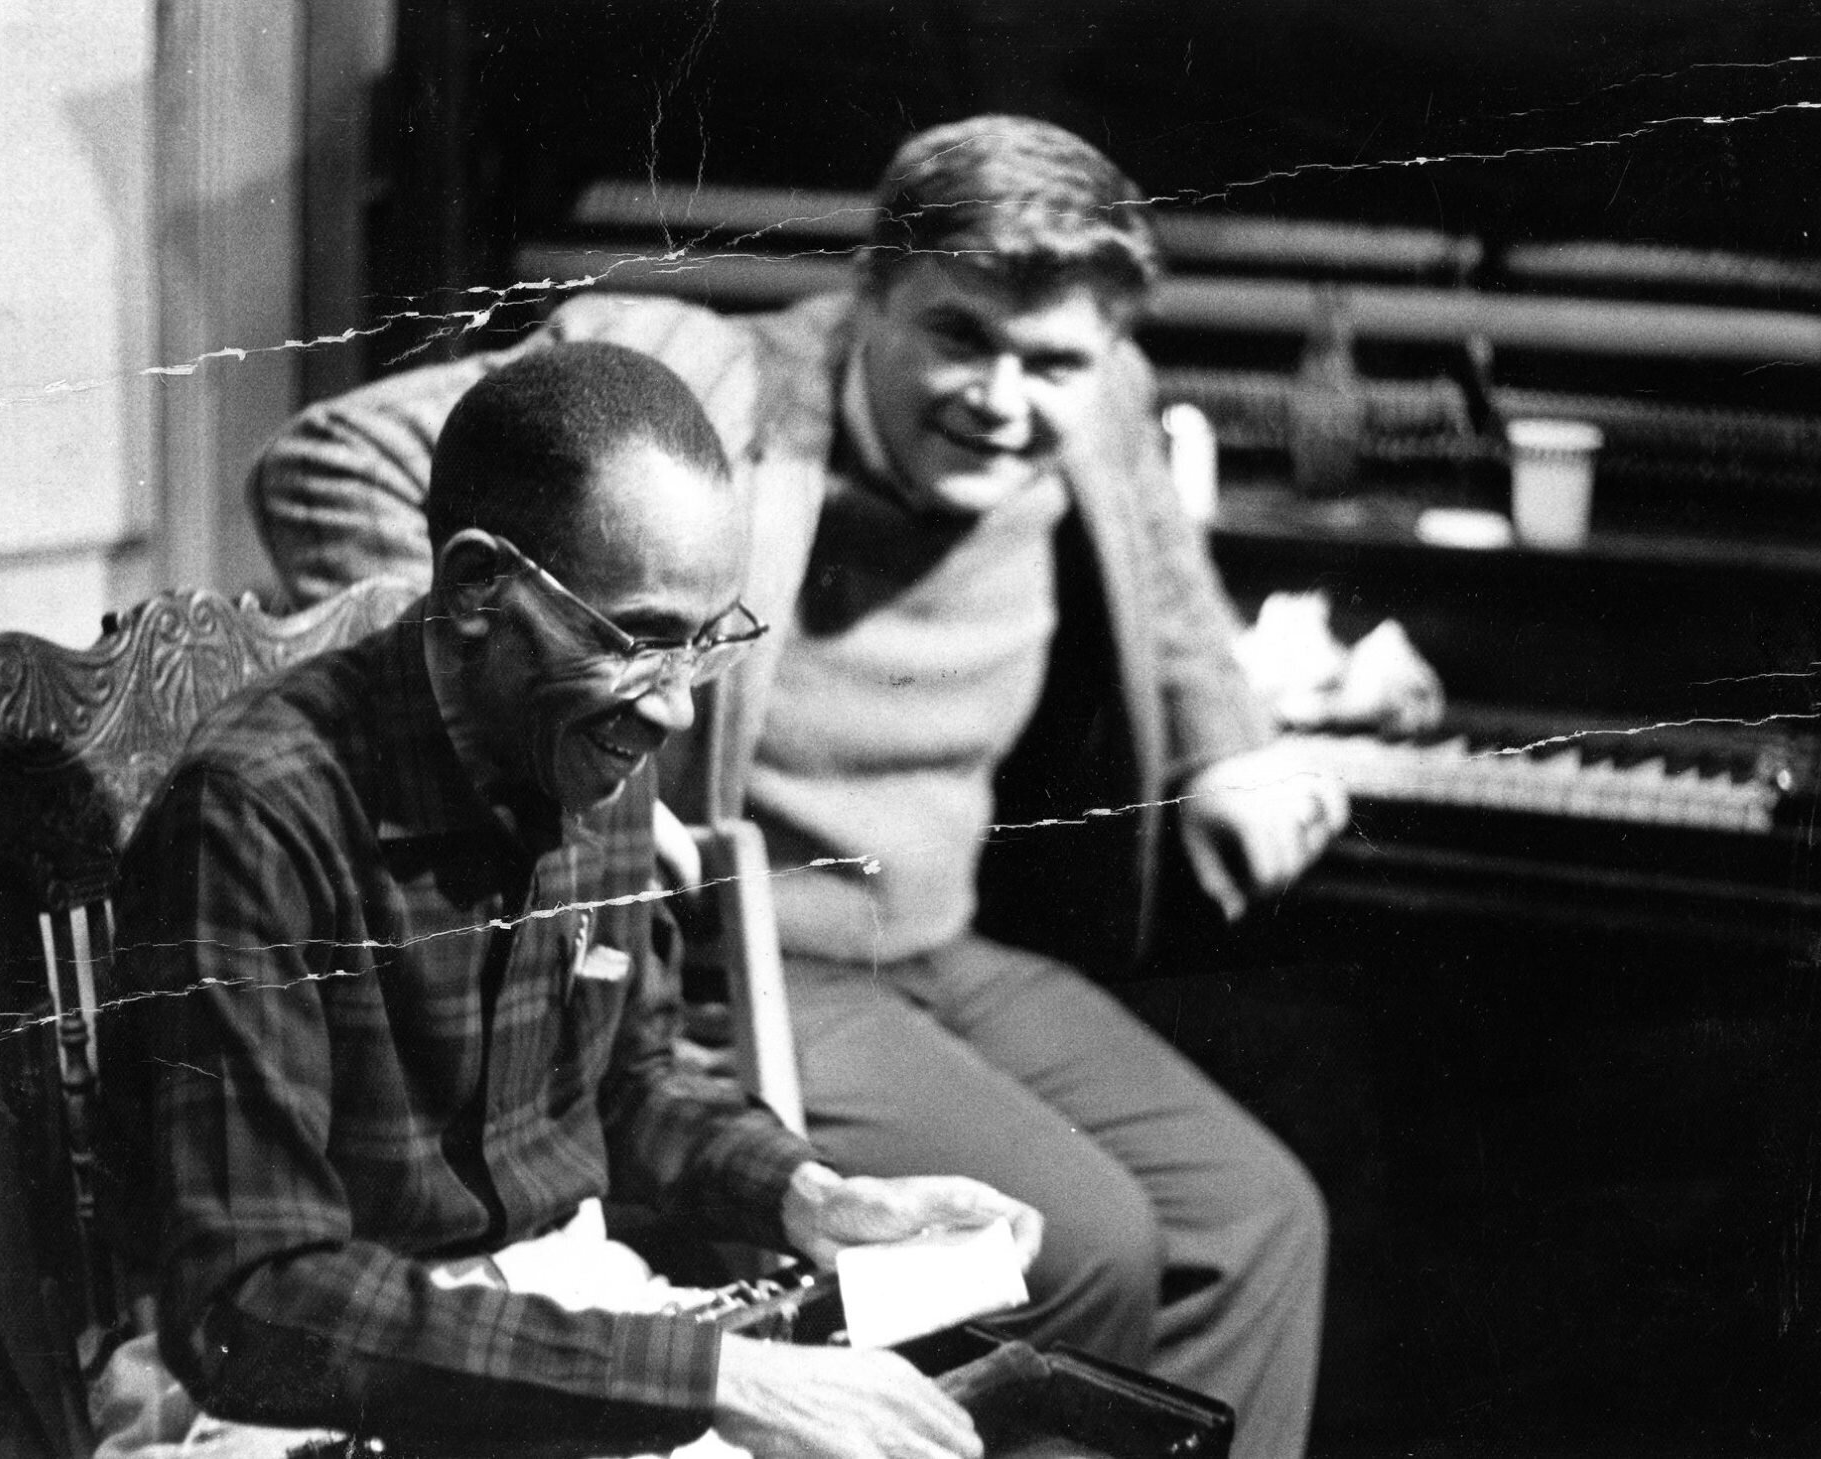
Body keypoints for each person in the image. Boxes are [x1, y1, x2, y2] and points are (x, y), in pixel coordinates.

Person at [253, 115, 1348, 1457]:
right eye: (958, 337)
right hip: (761, 951)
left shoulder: (1100, 392)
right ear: (872, 294)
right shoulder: (708, 384)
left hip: (943, 941)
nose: (1006, 398)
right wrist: (541, 722)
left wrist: (1227, 740)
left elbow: (1166, 566)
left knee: (1258, 1210)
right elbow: (327, 461)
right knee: (1087, 1238)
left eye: (1051, 360)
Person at [113, 342, 1041, 1459]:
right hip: (315, 1395)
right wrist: (710, 1379)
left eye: (705, 643)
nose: (678, 714)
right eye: (641, 641)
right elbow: (255, 1311)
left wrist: (807, 1197)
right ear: (473, 588)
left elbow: (630, 1082)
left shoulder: (586, 746)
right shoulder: (255, 813)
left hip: (555, 1314)